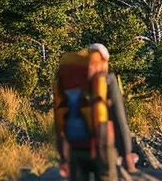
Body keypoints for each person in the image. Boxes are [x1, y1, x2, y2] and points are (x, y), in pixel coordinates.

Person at [54, 43, 137, 181]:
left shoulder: (66, 81)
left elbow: (59, 117)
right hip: (102, 145)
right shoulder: (106, 79)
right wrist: (126, 153)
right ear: (103, 59)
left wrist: (63, 156)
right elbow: (119, 119)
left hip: (74, 147)